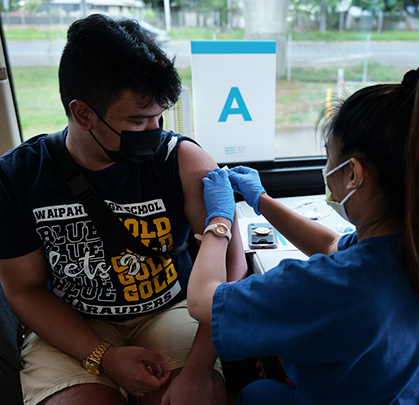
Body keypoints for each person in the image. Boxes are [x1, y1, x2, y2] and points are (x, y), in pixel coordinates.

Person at [186, 62, 419, 404]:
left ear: (353, 175)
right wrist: (263, 201)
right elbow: (333, 244)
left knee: (255, 394)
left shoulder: (329, 286)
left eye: (329, 158)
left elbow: (201, 301)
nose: (327, 170)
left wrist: (219, 220)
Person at [0, 14, 246, 405]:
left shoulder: (182, 160)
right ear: (83, 114)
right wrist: (104, 357)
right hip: (72, 319)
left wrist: (197, 373)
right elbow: (23, 289)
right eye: (138, 120)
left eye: (159, 116)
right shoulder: (18, 177)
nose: (155, 131)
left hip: (170, 309)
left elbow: (232, 267)